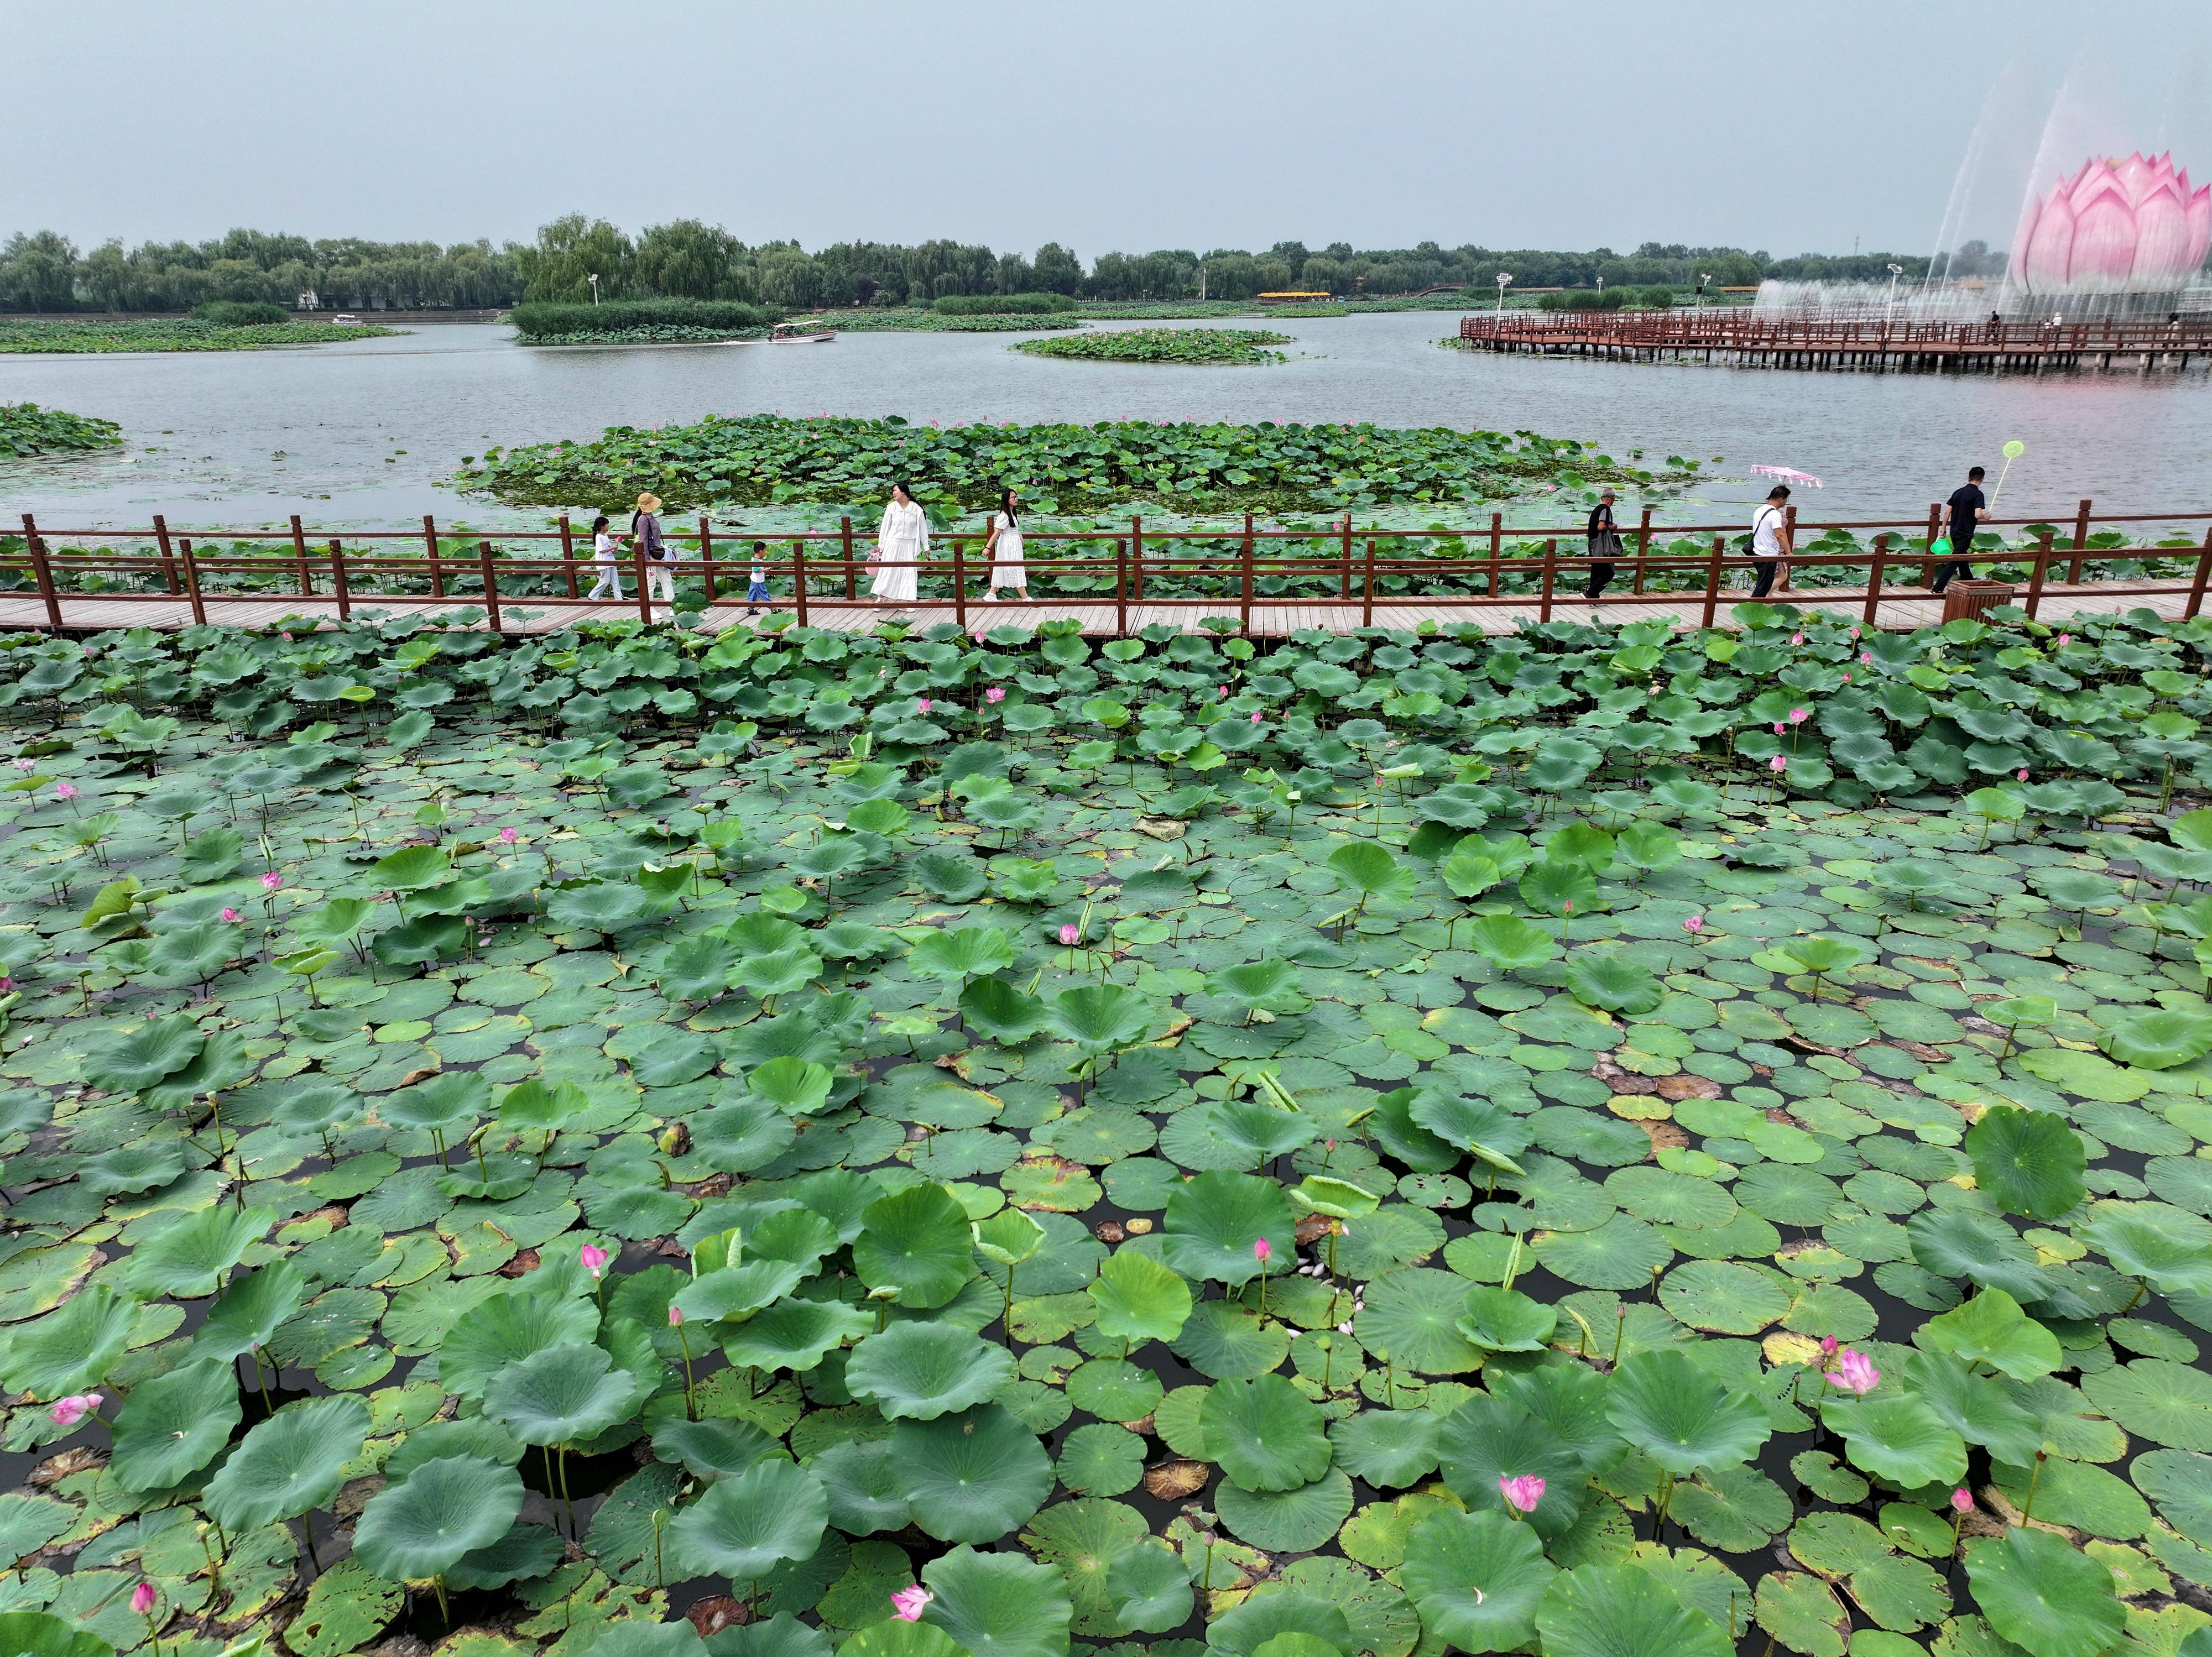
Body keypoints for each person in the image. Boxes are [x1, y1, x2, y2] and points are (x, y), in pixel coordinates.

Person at [870, 482, 927, 607]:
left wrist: (926, 547)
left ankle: (909, 602)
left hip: (909, 545)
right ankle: (880, 598)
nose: (894, 493)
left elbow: (923, 529)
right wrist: (881, 545)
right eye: (893, 491)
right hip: (892, 544)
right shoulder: (891, 508)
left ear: (904, 492)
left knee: (909, 573)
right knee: (888, 570)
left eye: (896, 491)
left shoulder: (917, 510)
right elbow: (885, 528)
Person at [1930, 466, 1985, 593]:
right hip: (1966, 533)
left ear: (1968, 477)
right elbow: (1978, 514)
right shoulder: (1978, 494)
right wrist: (1985, 517)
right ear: (1982, 479)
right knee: (1955, 559)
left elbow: (1947, 512)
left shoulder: (1958, 492)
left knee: (1962, 558)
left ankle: (1970, 584)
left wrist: (1943, 530)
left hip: (1954, 531)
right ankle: (1937, 588)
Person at [983, 488, 1028, 601]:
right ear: (1006, 500)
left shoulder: (1012, 514)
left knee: (1004, 567)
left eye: (1016, 496)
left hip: (1013, 545)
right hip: (1008, 547)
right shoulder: (1004, 516)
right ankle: (1026, 598)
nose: (1015, 499)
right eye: (1013, 497)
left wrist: (1019, 535)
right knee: (1013, 568)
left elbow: (1012, 529)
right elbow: (997, 533)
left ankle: (991, 594)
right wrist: (988, 547)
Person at [631, 493, 672, 614]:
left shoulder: (650, 516)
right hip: (650, 555)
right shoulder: (643, 519)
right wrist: (647, 561)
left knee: (667, 579)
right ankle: (650, 609)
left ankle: (672, 606)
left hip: (658, 553)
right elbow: (643, 540)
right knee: (651, 582)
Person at [1749, 485, 1791, 598]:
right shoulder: (1775, 514)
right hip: (1768, 554)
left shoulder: (1760, 510)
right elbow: (1780, 534)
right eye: (1786, 500)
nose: (1785, 503)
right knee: (1763, 587)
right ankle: (1752, 609)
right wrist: (1788, 552)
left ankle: (1758, 606)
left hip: (1757, 551)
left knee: (1764, 583)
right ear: (1781, 499)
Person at [1584, 487, 1620, 603]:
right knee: (1609, 572)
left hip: (1593, 544)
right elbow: (1601, 527)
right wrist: (1612, 527)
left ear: (1602, 497)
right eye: (1614, 499)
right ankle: (1591, 593)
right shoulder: (1605, 509)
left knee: (1597, 571)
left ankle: (1593, 598)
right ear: (1611, 499)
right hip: (1601, 547)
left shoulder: (1596, 509)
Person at [588, 514, 625, 602]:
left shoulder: (605, 536)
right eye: (607, 524)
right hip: (604, 562)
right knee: (605, 581)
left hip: (611, 560)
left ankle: (619, 597)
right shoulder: (599, 537)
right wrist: (612, 548)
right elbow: (601, 550)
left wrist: (614, 551)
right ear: (602, 526)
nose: (608, 526)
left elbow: (608, 548)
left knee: (615, 580)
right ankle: (593, 595)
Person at [746, 541, 773, 617]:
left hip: (755, 579)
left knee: (753, 594)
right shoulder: (756, 561)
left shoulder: (755, 557)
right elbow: (756, 570)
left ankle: (750, 607)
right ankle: (773, 607)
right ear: (761, 551)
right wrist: (766, 570)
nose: (765, 553)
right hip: (758, 581)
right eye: (765, 551)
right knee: (764, 594)